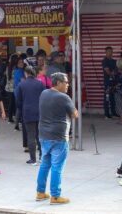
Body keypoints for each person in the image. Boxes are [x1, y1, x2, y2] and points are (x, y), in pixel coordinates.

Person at [35, 72, 78, 205]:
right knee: (57, 167)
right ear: (58, 83)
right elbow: (75, 114)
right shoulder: (63, 97)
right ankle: (55, 195)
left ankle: (40, 192)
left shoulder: (44, 93)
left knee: (45, 164)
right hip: (59, 137)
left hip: (44, 135)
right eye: (65, 82)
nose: (67, 85)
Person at [15, 66, 45, 165]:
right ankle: (42, 157)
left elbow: (18, 100)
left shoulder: (21, 84)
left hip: (27, 112)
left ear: (26, 73)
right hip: (40, 111)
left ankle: (33, 159)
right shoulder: (40, 84)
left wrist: (22, 108)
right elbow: (44, 97)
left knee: (31, 135)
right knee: (40, 135)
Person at [102, 46, 119, 119]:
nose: (110, 53)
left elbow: (117, 70)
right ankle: (106, 114)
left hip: (114, 82)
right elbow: (107, 71)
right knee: (107, 98)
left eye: (111, 51)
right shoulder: (104, 61)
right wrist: (112, 73)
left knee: (113, 98)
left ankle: (113, 113)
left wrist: (114, 73)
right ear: (106, 52)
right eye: (108, 51)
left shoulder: (114, 61)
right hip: (107, 82)